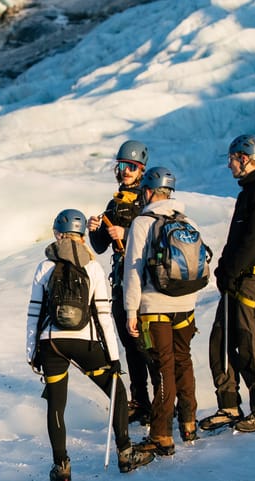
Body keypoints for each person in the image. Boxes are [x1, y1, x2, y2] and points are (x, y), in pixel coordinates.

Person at [27, 209, 154, 481]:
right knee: (117, 390)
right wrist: (114, 357)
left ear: (57, 233)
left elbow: (34, 312)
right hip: (84, 343)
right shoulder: (93, 267)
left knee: (56, 404)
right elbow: (103, 315)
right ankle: (124, 452)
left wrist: (32, 352)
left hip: (52, 345)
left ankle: (61, 467)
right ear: (83, 235)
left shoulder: (44, 267)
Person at [199, 134, 255, 433]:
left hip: (253, 279)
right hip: (238, 278)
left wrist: (230, 271)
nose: (229, 164)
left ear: (245, 158)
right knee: (220, 341)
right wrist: (225, 270)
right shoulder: (249, 191)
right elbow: (239, 239)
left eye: (233, 158)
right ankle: (229, 405)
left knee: (250, 342)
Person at [122, 167, 201, 456]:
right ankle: (189, 421)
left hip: (156, 307)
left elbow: (133, 270)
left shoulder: (143, 222)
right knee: (184, 361)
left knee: (163, 367)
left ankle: (161, 434)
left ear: (150, 191)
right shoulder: (186, 219)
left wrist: (131, 309)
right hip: (186, 305)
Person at [87, 140, 155, 427]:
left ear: (141, 171)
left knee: (146, 343)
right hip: (121, 281)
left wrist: (126, 233)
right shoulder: (115, 203)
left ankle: (164, 401)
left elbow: (154, 234)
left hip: (143, 279)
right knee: (130, 343)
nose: (126, 171)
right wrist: (96, 232)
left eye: (132, 167)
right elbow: (102, 247)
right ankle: (141, 401)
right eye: (122, 166)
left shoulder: (147, 200)